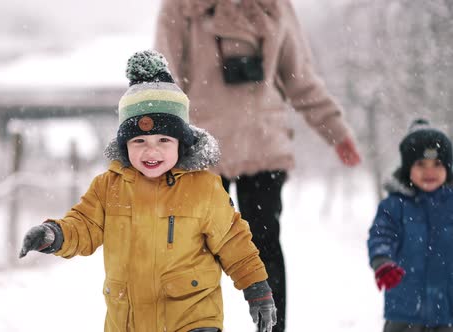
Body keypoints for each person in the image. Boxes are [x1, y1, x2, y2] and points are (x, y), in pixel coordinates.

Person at [19, 50, 278, 332]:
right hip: (127, 320)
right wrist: (53, 234)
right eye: (139, 140)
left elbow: (233, 242)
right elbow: (83, 226)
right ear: (124, 145)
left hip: (192, 317)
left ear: (182, 142)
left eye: (164, 139)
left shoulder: (203, 188)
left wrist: (257, 288)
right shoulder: (108, 187)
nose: (151, 150)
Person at [154, 1, 362, 330]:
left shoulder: (275, 6)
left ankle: (271, 328)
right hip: (201, 149)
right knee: (195, 253)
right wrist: (155, 138)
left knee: (263, 249)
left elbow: (300, 78)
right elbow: (165, 77)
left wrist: (336, 131)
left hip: (263, 145)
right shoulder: (183, 6)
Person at [367, 119, 453, 332]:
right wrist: (382, 260)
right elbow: (381, 235)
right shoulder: (394, 205)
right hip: (405, 307)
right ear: (407, 169)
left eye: (437, 164)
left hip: (447, 307)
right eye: (420, 164)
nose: (429, 171)